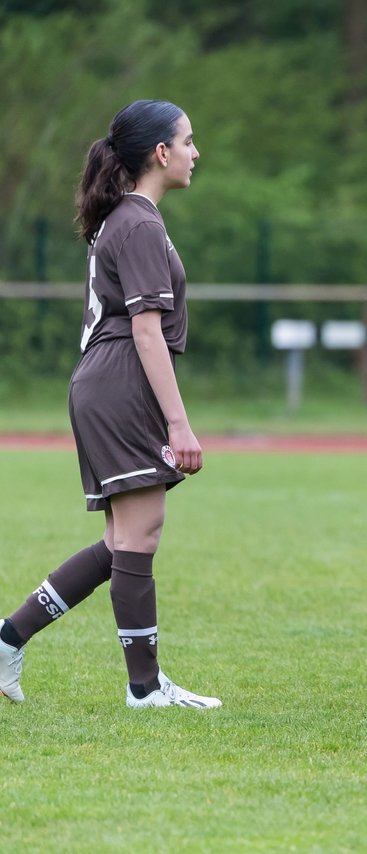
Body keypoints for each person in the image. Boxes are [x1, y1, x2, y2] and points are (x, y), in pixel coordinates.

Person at [0, 100, 220, 708]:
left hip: (104, 381)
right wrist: (179, 423)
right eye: (188, 140)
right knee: (141, 534)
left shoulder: (125, 216)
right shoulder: (141, 222)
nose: (195, 152)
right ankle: (145, 688)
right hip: (123, 382)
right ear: (160, 153)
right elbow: (146, 331)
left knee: (127, 539)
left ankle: (8, 639)